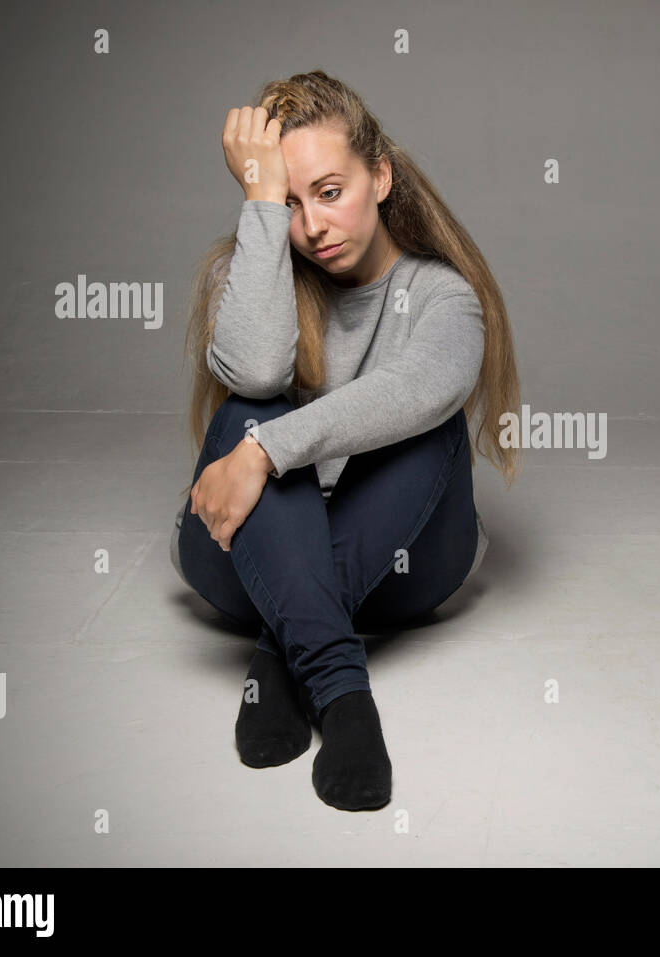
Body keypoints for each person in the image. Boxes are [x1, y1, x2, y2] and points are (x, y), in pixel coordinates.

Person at [170, 70, 522, 812]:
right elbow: (259, 369)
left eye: (330, 191)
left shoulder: (443, 296)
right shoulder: (265, 273)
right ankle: (340, 688)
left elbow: (418, 389)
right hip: (247, 556)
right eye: (291, 203)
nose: (313, 225)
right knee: (246, 410)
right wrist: (259, 204)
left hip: (403, 567)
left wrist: (266, 453)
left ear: (382, 175)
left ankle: (286, 652)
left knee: (429, 426)